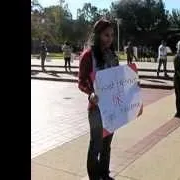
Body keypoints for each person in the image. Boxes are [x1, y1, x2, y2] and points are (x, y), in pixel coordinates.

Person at [78, 18, 119, 180]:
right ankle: (94, 177)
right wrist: (90, 93)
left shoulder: (111, 54)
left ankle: (104, 174)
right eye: (106, 35)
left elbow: (118, 78)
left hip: (112, 107)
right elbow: (81, 81)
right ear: (97, 35)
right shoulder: (88, 55)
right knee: (96, 145)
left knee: (107, 145)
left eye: (111, 35)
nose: (109, 39)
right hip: (96, 109)